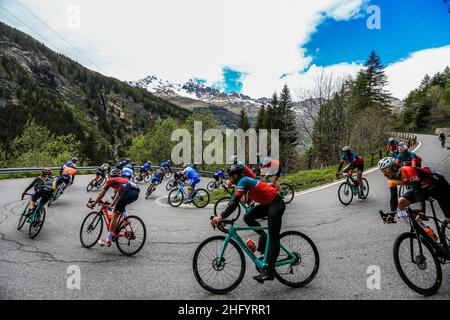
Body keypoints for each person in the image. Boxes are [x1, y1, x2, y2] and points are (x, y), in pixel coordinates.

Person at [211, 164, 285, 283]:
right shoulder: (244, 183)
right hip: (268, 204)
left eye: (230, 177)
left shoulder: (244, 180)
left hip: (276, 204)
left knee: (274, 237)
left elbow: (234, 202)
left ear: (235, 176)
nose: (229, 179)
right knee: (248, 217)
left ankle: (270, 272)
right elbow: (237, 198)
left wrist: (221, 216)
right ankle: (263, 235)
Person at [378, 157, 450, 224]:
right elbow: (393, 198)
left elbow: (417, 191)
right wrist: (392, 214)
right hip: (425, 188)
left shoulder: (408, 170)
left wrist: (421, 211)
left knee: (449, 218)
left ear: (394, 167)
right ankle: (417, 228)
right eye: (383, 172)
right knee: (401, 202)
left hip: (439, 185)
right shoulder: (391, 180)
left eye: (386, 171)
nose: (385, 174)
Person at [87, 168, 140, 247]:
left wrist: (94, 204)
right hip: (136, 193)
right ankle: (127, 219)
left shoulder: (111, 180)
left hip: (127, 191)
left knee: (115, 215)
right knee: (122, 204)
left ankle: (108, 240)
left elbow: (101, 194)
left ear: (111, 175)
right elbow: (118, 195)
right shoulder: (122, 181)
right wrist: (111, 205)